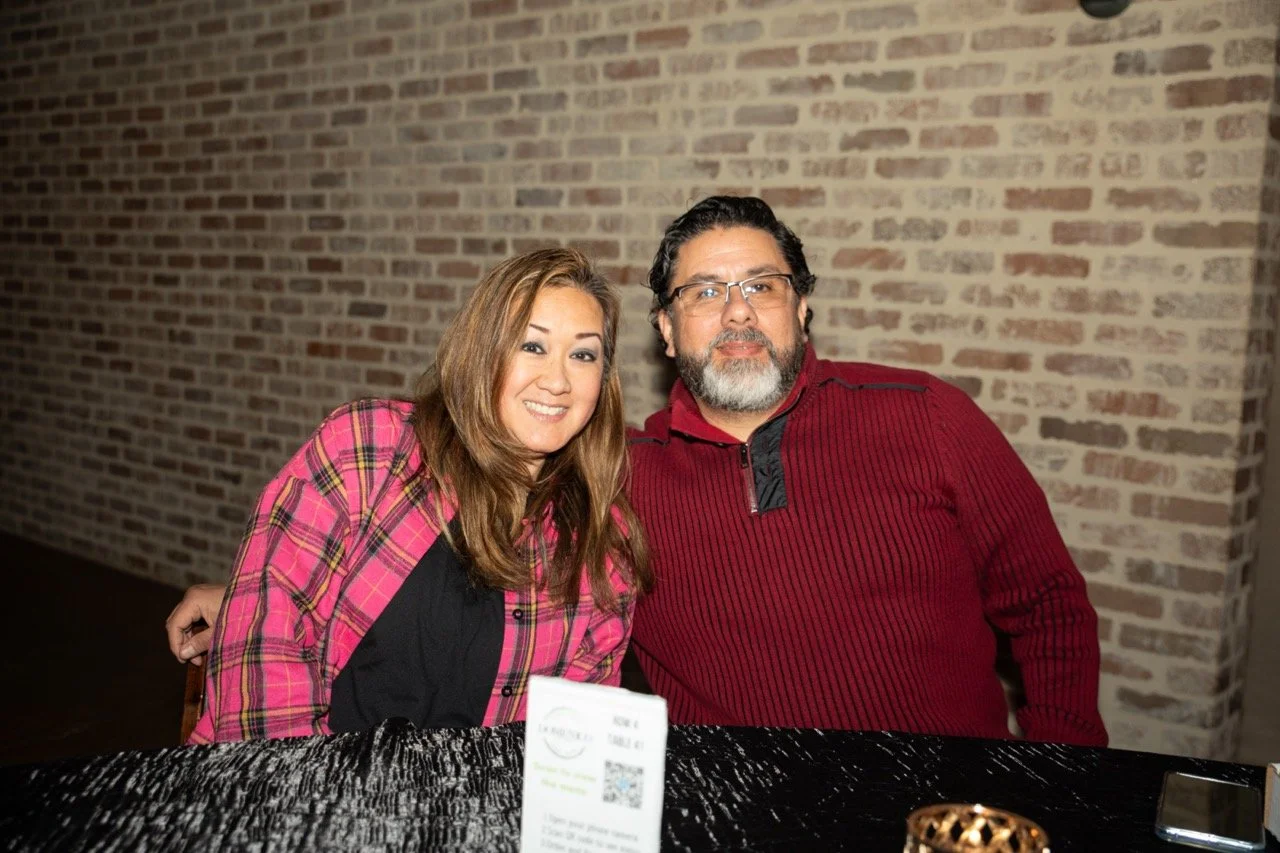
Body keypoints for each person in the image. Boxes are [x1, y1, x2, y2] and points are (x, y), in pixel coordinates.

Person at [170, 197, 1107, 747]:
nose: (735, 310)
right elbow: (336, 605)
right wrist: (255, 584)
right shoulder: (622, 488)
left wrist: (1061, 783)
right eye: (704, 291)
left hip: (930, 814)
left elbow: (1051, 609)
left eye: (762, 285)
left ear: (803, 308)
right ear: (666, 330)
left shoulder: (926, 418)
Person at [180, 247, 651, 742]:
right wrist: (310, 801)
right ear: (482, 352)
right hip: (301, 790)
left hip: (474, 807)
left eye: (583, 354)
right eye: (531, 346)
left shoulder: (601, 541)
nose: (557, 380)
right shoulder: (370, 449)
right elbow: (265, 646)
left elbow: (566, 740)